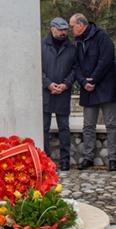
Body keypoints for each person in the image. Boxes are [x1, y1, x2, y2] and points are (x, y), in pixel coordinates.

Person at [71, 13, 116, 171]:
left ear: (81, 25)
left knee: (111, 124)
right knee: (88, 125)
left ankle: (113, 159)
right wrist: (84, 82)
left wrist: (94, 79)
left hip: (106, 87)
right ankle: (88, 157)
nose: (71, 29)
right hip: (88, 88)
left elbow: (106, 60)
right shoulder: (79, 42)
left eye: (72, 26)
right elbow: (77, 64)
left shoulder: (102, 37)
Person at [41, 17, 77, 171]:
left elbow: (75, 69)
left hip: (63, 92)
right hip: (45, 92)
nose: (63, 32)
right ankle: (45, 160)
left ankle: (65, 161)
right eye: (60, 29)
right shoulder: (41, 45)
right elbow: (36, 67)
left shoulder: (71, 48)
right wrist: (47, 83)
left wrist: (65, 84)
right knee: (44, 127)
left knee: (64, 127)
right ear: (52, 29)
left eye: (65, 30)